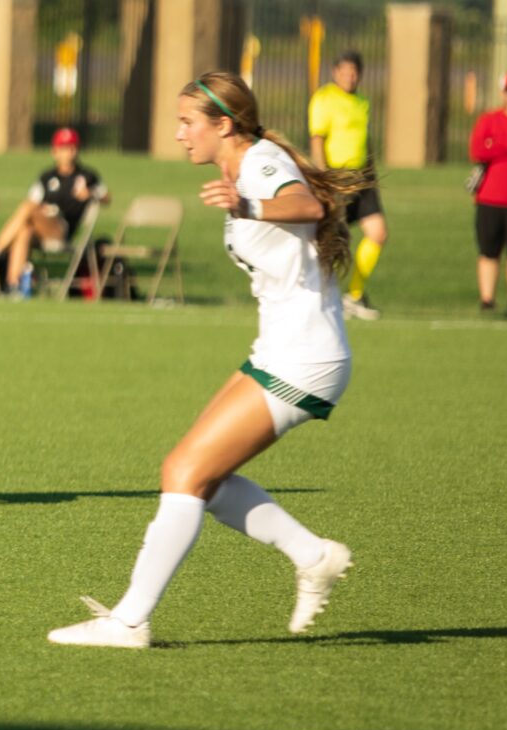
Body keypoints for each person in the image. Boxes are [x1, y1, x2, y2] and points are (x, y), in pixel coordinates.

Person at [48, 72, 361, 649]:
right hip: (284, 349)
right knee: (202, 479)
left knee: (183, 474)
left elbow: (305, 205)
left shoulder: (260, 163)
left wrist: (247, 201)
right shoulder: (242, 162)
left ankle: (130, 621)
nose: (178, 133)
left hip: (304, 355)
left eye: (188, 122)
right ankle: (311, 555)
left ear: (224, 125)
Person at [308, 52, 385, 320]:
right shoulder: (325, 98)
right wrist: (324, 178)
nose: (350, 76)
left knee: (378, 233)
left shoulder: (362, 101)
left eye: (354, 72)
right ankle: (316, 297)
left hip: (362, 177)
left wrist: (372, 171)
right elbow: (317, 138)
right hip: (338, 179)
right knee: (331, 240)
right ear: (335, 72)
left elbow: (364, 139)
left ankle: (354, 294)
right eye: (345, 71)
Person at [0, 127, 108, 296]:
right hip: (40, 226)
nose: (68, 153)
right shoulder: (47, 177)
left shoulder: (87, 176)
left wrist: (91, 193)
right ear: (55, 152)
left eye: (72, 148)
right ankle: (13, 284)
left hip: (62, 228)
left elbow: (106, 197)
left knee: (27, 208)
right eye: (64, 148)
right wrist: (41, 210)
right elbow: (33, 200)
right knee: (25, 230)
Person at [470, 68, 507, 316]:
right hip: (490, 197)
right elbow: (478, 150)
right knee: (488, 250)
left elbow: (494, 146)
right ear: (502, 92)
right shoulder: (488, 119)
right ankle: (487, 300)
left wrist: (498, 143)